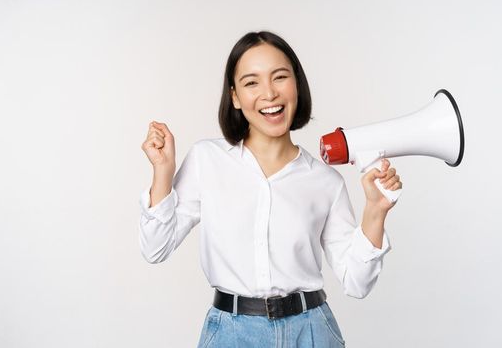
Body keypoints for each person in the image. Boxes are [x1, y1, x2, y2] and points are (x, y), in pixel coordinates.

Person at [138, 31, 401, 347]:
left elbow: (357, 283)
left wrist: (375, 210)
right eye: (252, 83)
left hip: (312, 332)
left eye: (280, 77)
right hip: (231, 335)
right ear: (235, 96)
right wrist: (163, 172)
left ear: (297, 87)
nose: (269, 93)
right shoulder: (206, 160)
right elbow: (155, 248)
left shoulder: (325, 181)